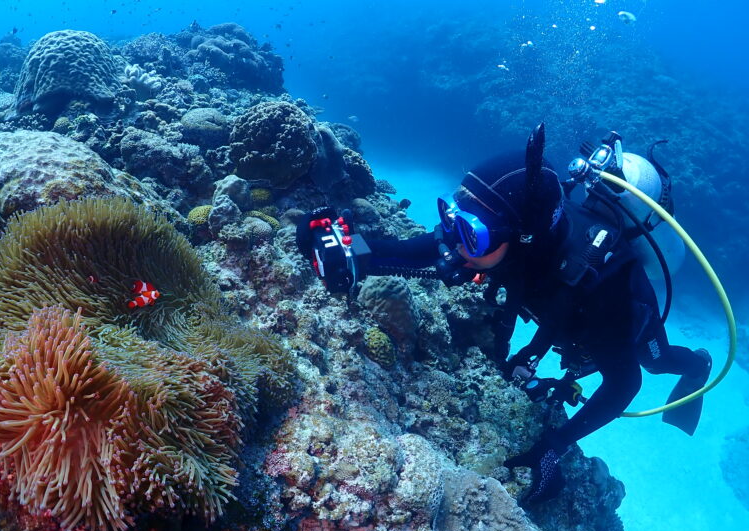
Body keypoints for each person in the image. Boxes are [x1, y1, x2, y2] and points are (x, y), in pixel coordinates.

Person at [297, 124, 712, 503]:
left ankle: (699, 366)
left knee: (655, 361)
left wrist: (555, 445)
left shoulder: (604, 290)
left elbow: (624, 385)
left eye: (472, 235)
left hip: (620, 320)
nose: (456, 242)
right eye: (453, 217)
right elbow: (417, 249)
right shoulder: (502, 235)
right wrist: (350, 251)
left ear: (523, 237)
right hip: (559, 310)